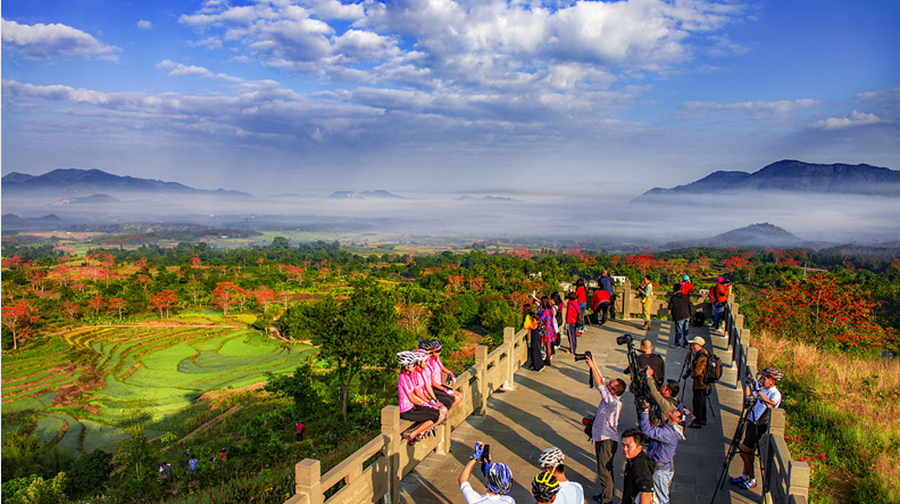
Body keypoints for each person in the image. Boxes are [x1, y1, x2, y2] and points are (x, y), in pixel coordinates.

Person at [728, 367, 784, 490]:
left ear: (773, 381)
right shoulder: (762, 389)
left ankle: (752, 478)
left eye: (765, 379)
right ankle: (744, 475)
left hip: (760, 426)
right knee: (749, 453)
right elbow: (749, 398)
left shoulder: (775, 394)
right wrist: (748, 385)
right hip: (751, 422)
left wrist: (758, 390)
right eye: (762, 378)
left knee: (743, 451)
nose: (762, 380)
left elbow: (771, 405)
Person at [584, 353, 625, 504]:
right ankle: (606, 493)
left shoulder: (613, 402)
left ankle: (607, 498)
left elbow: (599, 384)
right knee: (605, 468)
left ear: (615, 391)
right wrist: (593, 362)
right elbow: (602, 380)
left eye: (611, 386)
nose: (608, 385)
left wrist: (592, 368)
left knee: (604, 470)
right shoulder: (611, 395)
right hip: (601, 436)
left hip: (607, 439)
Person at [638, 402, 685, 504]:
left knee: (662, 500)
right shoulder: (667, 425)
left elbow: (647, 431)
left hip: (660, 471)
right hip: (660, 468)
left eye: (677, 411)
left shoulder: (669, 433)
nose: (674, 409)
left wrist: (645, 411)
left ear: (679, 420)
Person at [397, 352, 442, 445]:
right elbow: (412, 397)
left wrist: (430, 403)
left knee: (435, 413)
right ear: (406, 366)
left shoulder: (407, 376)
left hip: (412, 407)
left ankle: (413, 432)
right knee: (434, 416)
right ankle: (412, 434)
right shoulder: (403, 378)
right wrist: (427, 404)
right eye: (412, 365)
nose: (414, 367)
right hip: (407, 411)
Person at [420, 339, 463, 411]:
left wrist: (449, 373)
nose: (439, 352)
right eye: (437, 351)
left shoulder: (437, 358)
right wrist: (445, 389)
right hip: (435, 386)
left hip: (439, 384)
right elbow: (432, 382)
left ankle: (443, 415)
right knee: (455, 399)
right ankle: (443, 416)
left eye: (440, 350)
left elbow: (441, 366)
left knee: (460, 396)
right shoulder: (429, 363)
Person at [620, 428, 655, 504]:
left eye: (628, 446)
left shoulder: (639, 465)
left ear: (639, 448)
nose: (625, 449)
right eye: (623, 445)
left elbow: (646, 491)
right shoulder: (632, 461)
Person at [683, 337, 709, 429]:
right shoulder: (701, 354)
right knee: (701, 401)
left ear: (699, 345)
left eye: (694, 344)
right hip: (702, 382)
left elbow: (697, 371)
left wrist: (692, 374)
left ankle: (698, 421)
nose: (693, 346)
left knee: (698, 402)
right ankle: (702, 419)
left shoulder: (702, 356)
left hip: (700, 382)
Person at [667, 283, 691, 348]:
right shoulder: (686, 297)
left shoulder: (674, 298)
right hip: (687, 315)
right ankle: (686, 343)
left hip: (679, 316)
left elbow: (670, 307)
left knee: (679, 330)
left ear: (674, 289)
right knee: (686, 330)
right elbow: (689, 306)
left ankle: (678, 343)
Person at [523, 303, 544, 372]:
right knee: (537, 349)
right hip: (538, 332)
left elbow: (526, 326)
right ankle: (539, 364)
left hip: (534, 333)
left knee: (535, 350)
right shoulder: (533, 314)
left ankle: (537, 366)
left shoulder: (528, 316)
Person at [538, 296, 558, 367]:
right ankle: (547, 359)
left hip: (547, 330)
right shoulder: (550, 309)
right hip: (551, 328)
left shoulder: (545, 311)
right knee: (548, 346)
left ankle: (548, 360)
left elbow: (540, 319)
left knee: (548, 346)